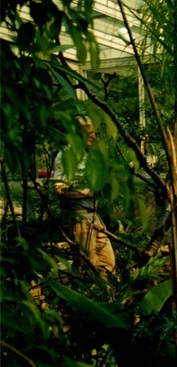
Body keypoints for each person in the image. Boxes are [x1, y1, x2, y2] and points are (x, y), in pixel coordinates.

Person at [52, 117, 116, 276]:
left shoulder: (88, 155)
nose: (93, 136)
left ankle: (105, 295)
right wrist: (85, 192)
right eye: (88, 132)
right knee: (88, 264)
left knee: (107, 262)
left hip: (92, 215)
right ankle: (82, 295)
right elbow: (59, 189)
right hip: (79, 217)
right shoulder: (65, 155)